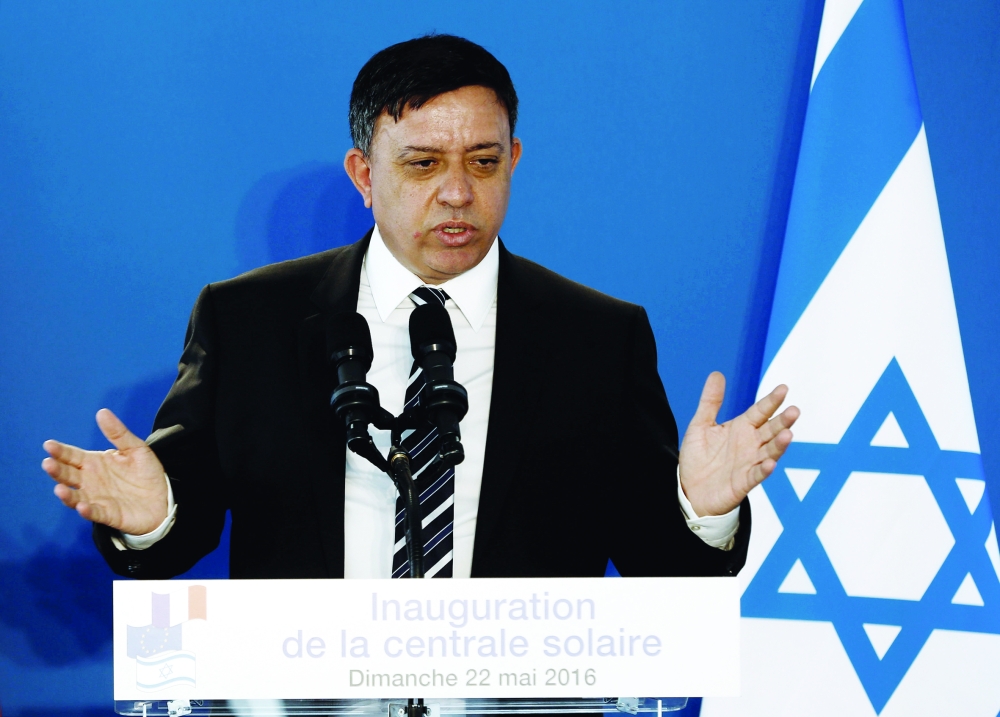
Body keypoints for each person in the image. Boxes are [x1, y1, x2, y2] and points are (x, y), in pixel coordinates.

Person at [41, 34, 798, 581]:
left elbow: (659, 562)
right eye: (423, 163)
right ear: (364, 174)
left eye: (484, 162)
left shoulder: (597, 338)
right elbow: (183, 527)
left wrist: (702, 508)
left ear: (514, 161)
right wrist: (155, 516)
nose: (458, 192)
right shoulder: (249, 323)